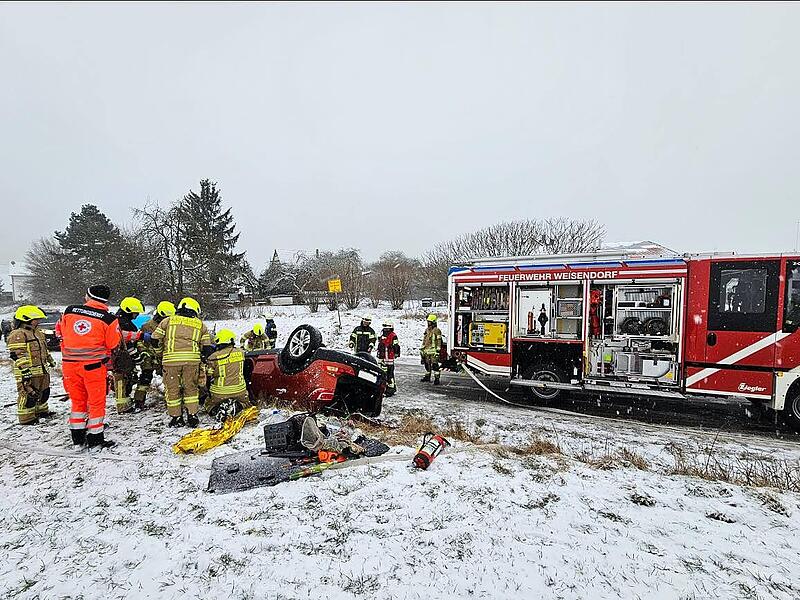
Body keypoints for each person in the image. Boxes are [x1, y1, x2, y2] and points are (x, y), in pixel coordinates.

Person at [57, 285, 122, 450]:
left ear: (88, 296)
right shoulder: (108, 319)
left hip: (69, 366)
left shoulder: (70, 311)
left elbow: (60, 331)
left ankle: (77, 438)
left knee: (78, 402)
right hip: (93, 367)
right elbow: (112, 343)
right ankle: (95, 439)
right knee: (96, 403)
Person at [150, 297, 212, 428]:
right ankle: (192, 416)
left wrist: (160, 353)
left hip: (170, 362)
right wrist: (200, 357)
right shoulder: (200, 325)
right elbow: (206, 347)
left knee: (173, 390)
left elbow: (154, 339)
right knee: (191, 389)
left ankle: (176, 418)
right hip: (192, 362)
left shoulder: (167, 321)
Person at [7, 305, 56, 425]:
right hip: (26, 370)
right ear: (26, 319)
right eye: (36, 319)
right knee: (28, 394)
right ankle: (27, 418)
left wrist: (50, 360)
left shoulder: (38, 332)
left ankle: (41, 411)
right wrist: (24, 370)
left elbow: (44, 349)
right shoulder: (18, 334)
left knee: (43, 391)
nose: (38, 321)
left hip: (42, 369)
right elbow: (17, 353)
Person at [133, 300, 176, 410]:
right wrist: (144, 352)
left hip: (163, 357)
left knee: (170, 380)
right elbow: (138, 342)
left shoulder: (171, 327)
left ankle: (172, 401)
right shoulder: (146, 326)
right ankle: (139, 401)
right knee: (145, 379)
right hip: (149, 359)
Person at [205, 329, 253, 421]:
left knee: (208, 404)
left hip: (220, 392)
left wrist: (209, 392)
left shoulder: (213, 357)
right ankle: (238, 405)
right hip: (240, 390)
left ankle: (217, 409)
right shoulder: (241, 353)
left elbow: (208, 376)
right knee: (246, 403)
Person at [112, 297, 145, 413]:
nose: (136, 316)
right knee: (121, 380)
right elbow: (127, 343)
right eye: (135, 313)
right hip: (122, 357)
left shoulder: (118, 321)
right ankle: (122, 406)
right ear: (128, 311)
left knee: (125, 380)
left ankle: (125, 402)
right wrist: (137, 358)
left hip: (121, 357)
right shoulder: (123, 324)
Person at [376, 321, 401, 396]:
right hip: (382, 356)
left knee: (389, 374)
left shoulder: (393, 335)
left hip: (388, 357)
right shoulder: (382, 334)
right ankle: (384, 388)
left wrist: (396, 353)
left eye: (386, 327)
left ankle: (391, 389)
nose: (385, 329)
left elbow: (396, 346)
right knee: (382, 373)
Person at [420, 314, 442, 385]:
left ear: (433, 322)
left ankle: (437, 378)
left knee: (435, 365)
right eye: (428, 321)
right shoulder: (427, 330)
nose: (428, 323)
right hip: (426, 351)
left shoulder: (437, 330)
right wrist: (422, 348)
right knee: (427, 365)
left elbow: (439, 340)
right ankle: (427, 377)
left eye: (429, 322)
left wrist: (438, 350)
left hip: (433, 351)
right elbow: (425, 340)